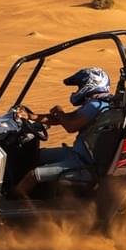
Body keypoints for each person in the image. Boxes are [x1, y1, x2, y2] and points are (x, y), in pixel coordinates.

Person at [13, 67, 113, 198]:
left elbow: (70, 126)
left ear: (91, 84)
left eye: (80, 85)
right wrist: (31, 116)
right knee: (34, 156)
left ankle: (29, 214)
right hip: (77, 153)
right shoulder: (98, 103)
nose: (78, 89)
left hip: (82, 162)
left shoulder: (95, 105)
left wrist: (59, 112)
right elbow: (65, 119)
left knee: (32, 176)